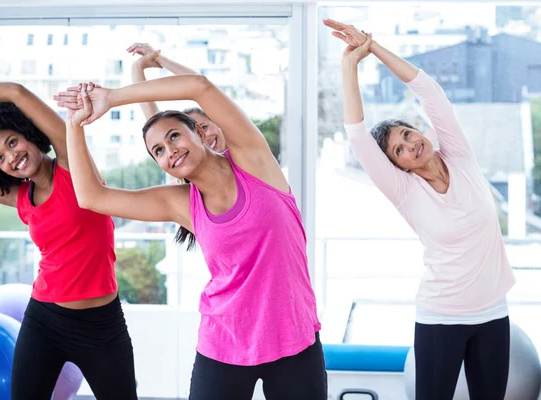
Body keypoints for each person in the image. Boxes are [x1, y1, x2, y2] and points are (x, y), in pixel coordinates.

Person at [54, 72, 325, 399]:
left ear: (200, 132)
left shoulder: (255, 162)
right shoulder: (180, 204)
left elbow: (200, 86)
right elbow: (91, 197)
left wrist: (112, 97)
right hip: (224, 343)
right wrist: (74, 124)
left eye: (174, 137)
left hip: (294, 340)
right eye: (159, 150)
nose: (170, 150)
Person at [323, 19, 515, 400]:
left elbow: (428, 89)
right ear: (398, 167)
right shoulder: (405, 190)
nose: (411, 146)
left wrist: (373, 47)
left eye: (409, 134)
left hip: (493, 312)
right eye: (399, 150)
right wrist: (350, 63)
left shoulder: (459, 154)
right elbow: (358, 135)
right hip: (440, 318)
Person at [0, 79, 137, 400]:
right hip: (44, 320)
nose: (10, 157)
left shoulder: (73, 166)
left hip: (101, 324)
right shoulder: (19, 196)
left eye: (12, 142)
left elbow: (15, 92)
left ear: (28, 132)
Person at [127, 42, 226, 153]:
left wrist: (158, 58)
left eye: (204, 128)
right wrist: (137, 67)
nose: (204, 137)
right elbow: (151, 115)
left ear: (216, 121)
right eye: (196, 134)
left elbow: (205, 88)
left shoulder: (242, 141)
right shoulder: (188, 165)